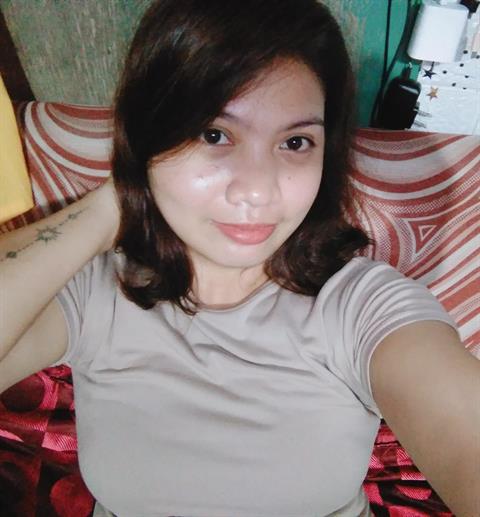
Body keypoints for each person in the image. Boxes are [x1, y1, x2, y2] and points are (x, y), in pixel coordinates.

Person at [1, 0, 478, 515]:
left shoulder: (363, 305)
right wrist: (113, 204)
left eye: (296, 142)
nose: (257, 190)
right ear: (148, 136)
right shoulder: (96, 288)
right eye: (214, 135)